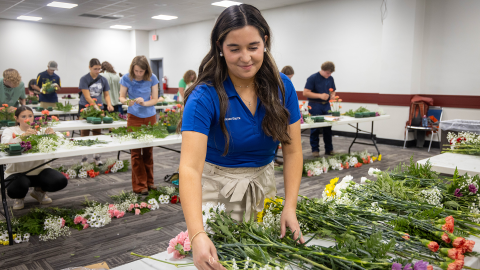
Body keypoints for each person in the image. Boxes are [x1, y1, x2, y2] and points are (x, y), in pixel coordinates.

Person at [179, 4, 304, 269]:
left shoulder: (283, 87)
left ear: (265, 43)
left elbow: (293, 152)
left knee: (264, 258)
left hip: (263, 184)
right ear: (220, 48)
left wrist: (289, 206)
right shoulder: (205, 95)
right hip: (216, 190)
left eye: (253, 47)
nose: (245, 57)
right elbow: (189, 168)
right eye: (234, 48)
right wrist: (197, 234)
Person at [1, 106, 68, 210]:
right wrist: (22, 136)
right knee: (15, 189)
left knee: (60, 181)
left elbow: (62, 139)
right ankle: (19, 197)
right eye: (23, 116)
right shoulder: (10, 130)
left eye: (30, 116)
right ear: (17, 118)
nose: (27, 119)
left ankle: (39, 191)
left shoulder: (40, 130)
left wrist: (53, 134)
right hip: (17, 172)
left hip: (40, 170)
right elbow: (5, 143)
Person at [119, 56, 159, 195]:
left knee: (148, 151)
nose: (138, 74)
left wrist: (144, 103)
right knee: (136, 153)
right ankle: (140, 185)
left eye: (141, 71)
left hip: (149, 116)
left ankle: (150, 182)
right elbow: (121, 97)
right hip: (134, 117)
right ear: (132, 69)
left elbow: (155, 99)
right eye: (136, 71)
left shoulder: (153, 78)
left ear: (146, 70)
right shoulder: (126, 78)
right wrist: (127, 102)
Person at [78, 58, 114, 165]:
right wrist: (96, 107)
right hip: (86, 108)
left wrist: (109, 104)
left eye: (99, 69)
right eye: (95, 69)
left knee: (97, 132)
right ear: (90, 67)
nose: (97, 71)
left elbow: (106, 94)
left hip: (98, 107)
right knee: (84, 133)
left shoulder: (103, 79)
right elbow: (87, 96)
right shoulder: (84, 79)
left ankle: (96, 157)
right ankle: (84, 158)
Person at [303, 61, 336, 157]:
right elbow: (305, 93)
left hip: (326, 105)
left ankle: (329, 149)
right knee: (315, 128)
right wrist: (320, 96)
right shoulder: (312, 78)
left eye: (330, 73)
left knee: (328, 128)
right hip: (315, 104)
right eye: (328, 73)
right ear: (323, 70)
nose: (329, 75)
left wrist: (333, 96)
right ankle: (315, 150)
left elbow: (333, 91)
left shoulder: (330, 78)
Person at [274, 65, 296, 166]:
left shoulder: (287, 85)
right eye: (288, 77)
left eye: (291, 77)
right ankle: (273, 159)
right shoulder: (276, 82)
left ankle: (274, 158)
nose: (289, 79)